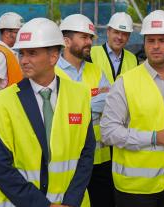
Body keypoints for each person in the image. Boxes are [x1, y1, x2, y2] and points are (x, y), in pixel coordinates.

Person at [0, 17, 95, 207]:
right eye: (22, 54)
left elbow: (86, 154)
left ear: (53, 57)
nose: (24, 60)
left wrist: (70, 201)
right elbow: (0, 168)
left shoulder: (80, 95)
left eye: (32, 53)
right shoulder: (1, 103)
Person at [100, 10, 164, 207]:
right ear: (144, 43)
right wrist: (153, 137)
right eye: (151, 40)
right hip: (135, 188)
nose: (156, 46)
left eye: (162, 40)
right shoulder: (125, 83)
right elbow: (108, 132)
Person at [57, 14, 114, 207]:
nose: (89, 42)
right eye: (84, 37)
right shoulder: (52, 72)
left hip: (99, 159)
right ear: (66, 40)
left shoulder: (96, 71)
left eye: (90, 37)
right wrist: (91, 102)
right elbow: (55, 109)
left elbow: (109, 102)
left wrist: (75, 107)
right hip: (67, 161)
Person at [90, 12, 139, 83]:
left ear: (128, 37)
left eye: (124, 34)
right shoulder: (91, 54)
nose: (119, 37)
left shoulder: (133, 59)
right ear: (108, 32)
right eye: (116, 32)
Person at [0, 12, 24, 89]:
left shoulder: (7, 52)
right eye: (19, 32)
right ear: (7, 33)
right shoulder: (1, 54)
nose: (21, 35)